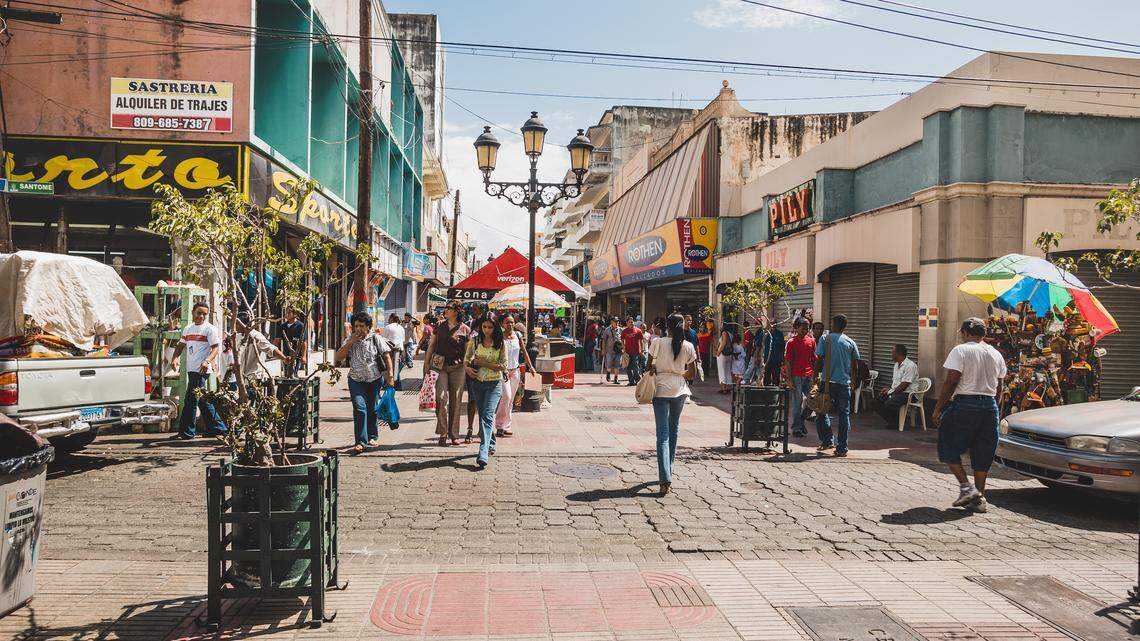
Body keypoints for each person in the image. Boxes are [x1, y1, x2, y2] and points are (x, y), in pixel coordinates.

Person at [932, 318, 1007, 513]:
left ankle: (966, 487)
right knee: (983, 449)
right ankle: (979, 497)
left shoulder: (961, 350)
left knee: (947, 443)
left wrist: (938, 408)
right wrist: (994, 408)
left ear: (965, 332)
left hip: (966, 403)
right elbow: (1000, 386)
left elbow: (951, 381)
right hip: (989, 405)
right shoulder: (996, 353)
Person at [645, 313, 698, 496]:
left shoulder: (657, 342)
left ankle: (664, 477)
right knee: (673, 430)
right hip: (680, 391)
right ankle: (669, 470)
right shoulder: (688, 346)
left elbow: (648, 366)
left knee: (662, 435)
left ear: (666, 326)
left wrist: (660, 370)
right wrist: (677, 373)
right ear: (682, 326)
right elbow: (691, 375)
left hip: (660, 390)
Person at [335, 311, 395, 453]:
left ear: (368, 327)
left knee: (372, 408)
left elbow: (387, 357)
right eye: (356, 326)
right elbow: (338, 357)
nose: (358, 329)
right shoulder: (350, 340)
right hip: (356, 379)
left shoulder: (375, 338)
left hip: (374, 379)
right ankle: (360, 441)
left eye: (361, 326)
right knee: (359, 408)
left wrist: (391, 377)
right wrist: (350, 342)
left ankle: (372, 436)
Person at [171, 302, 226, 440]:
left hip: (201, 370)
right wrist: (175, 357)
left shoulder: (209, 329)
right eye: (199, 313)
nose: (201, 316)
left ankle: (187, 432)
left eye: (204, 314)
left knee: (190, 400)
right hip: (191, 369)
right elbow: (180, 345)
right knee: (202, 399)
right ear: (193, 312)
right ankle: (218, 428)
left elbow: (215, 348)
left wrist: (207, 361)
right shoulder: (188, 328)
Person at [423, 303, 472, 446]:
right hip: (440, 366)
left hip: (458, 367)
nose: (446, 310)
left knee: (456, 401)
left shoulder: (465, 329)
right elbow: (431, 345)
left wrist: (467, 367)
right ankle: (443, 433)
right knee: (441, 398)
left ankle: (454, 434)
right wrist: (426, 363)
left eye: (449, 308)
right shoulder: (439, 325)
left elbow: (467, 352)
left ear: (456, 312)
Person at [814, 314, 859, 457]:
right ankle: (842, 447)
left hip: (827, 384)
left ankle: (827, 440)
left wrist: (815, 376)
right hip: (844, 385)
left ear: (834, 324)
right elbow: (855, 365)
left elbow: (819, 360)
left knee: (821, 411)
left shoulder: (825, 339)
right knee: (844, 416)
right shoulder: (851, 342)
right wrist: (853, 381)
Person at [465, 316, 507, 469]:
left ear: (495, 328)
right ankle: (491, 442)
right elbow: (467, 359)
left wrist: (482, 363)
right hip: (477, 383)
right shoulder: (475, 341)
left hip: (494, 384)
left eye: (490, 327)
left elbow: (503, 366)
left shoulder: (500, 344)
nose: (487, 330)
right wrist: (467, 368)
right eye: (484, 327)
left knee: (487, 416)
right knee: (483, 416)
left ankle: (482, 451)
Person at [496, 314, 533, 437]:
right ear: (502, 324)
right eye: (507, 322)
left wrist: (531, 366)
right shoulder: (499, 337)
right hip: (503, 371)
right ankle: (499, 425)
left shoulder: (518, 335)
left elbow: (524, 351)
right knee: (505, 397)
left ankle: (506, 426)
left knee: (511, 400)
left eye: (512, 322)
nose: (510, 324)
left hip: (515, 371)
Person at [783, 318, 816, 437]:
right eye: (803, 328)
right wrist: (789, 379)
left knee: (813, 400)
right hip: (796, 376)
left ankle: (800, 421)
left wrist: (815, 376)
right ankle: (797, 428)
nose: (806, 330)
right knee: (797, 403)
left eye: (807, 328)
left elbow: (814, 359)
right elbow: (788, 362)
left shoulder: (812, 341)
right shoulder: (791, 342)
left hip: (809, 376)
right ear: (796, 328)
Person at [875, 344, 918, 427]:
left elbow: (904, 385)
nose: (891, 354)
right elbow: (896, 383)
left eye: (892, 352)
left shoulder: (910, 366)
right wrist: (888, 390)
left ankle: (896, 422)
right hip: (898, 392)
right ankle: (894, 421)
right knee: (876, 401)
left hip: (909, 394)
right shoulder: (896, 365)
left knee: (889, 402)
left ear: (899, 354)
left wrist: (890, 393)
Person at [382, 313, 407, 390]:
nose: (388, 320)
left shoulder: (388, 327)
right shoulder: (401, 328)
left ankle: (395, 385)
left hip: (391, 351)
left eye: (389, 318)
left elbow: (384, 340)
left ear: (391, 319)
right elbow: (403, 340)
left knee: (391, 369)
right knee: (396, 369)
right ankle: (395, 385)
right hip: (401, 350)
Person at [280, 308, 307, 377]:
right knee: (286, 373)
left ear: (295, 315)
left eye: (289, 313)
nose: (286, 315)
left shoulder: (301, 326)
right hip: (285, 354)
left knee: (294, 373)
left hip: (297, 354)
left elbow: (304, 342)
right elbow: (277, 340)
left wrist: (304, 356)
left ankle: (294, 385)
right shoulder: (283, 326)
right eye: (286, 313)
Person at [620, 317, 646, 386]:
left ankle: (637, 378)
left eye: (632, 322)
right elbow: (622, 340)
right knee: (628, 368)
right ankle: (631, 381)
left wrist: (642, 350)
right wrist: (623, 348)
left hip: (636, 352)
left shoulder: (638, 330)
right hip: (627, 352)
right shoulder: (624, 331)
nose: (631, 323)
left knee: (635, 367)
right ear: (627, 323)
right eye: (630, 322)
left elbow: (641, 341)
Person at [600, 317, 623, 384]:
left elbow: (623, 340)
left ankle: (616, 379)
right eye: (615, 321)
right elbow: (604, 340)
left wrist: (623, 348)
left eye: (617, 321)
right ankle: (608, 373)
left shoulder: (620, 330)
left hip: (618, 350)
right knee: (609, 363)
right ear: (611, 322)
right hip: (609, 350)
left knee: (617, 365)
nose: (617, 323)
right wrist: (603, 349)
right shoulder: (607, 330)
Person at [715, 324, 735, 394]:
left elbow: (723, 343)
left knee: (721, 371)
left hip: (723, 354)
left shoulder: (724, 333)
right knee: (728, 371)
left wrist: (718, 352)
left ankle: (723, 388)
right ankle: (729, 387)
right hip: (729, 354)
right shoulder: (731, 334)